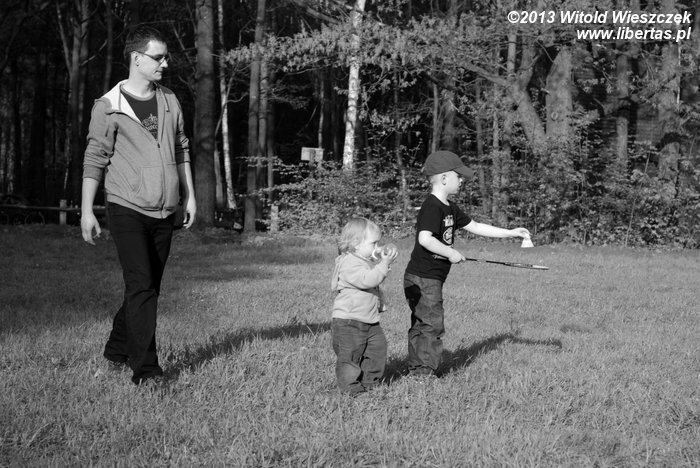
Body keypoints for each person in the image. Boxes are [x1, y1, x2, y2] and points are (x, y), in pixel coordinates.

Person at [80, 25, 196, 385]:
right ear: (136, 58)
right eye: (158, 57)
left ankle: (116, 350)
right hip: (126, 206)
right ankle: (147, 371)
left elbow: (181, 148)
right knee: (142, 285)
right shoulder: (109, 107)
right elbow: (95, 158)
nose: (165, 63)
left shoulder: (169, 100)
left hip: (165, 208)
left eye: (166, 57)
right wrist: (86, 211)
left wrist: (189, 196)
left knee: (146, 288)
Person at [403, 150, 530, 378]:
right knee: (430, 324)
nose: (462, 180)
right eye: (458, 176)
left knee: (423, 323)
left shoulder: (450, 208)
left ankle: (418, 369)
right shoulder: (432, 206)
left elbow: (477, 227)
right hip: (423, 277)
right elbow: (425, 239)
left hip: (428, 277)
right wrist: (450, 252)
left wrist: (511, 232)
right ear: (444, 178)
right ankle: (422, 374)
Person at [331, 217, 398, 396]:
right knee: (350, 356)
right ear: (355, 243)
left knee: (377, 350)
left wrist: (381, 255)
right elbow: (367, 280)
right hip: (349, 321)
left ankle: (369, 382)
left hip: (369, 320)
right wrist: (383, 265)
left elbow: (372, 283)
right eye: (373, 243)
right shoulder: (348, 262)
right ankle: (350, 388)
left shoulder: (363, 260)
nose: (377, 247)